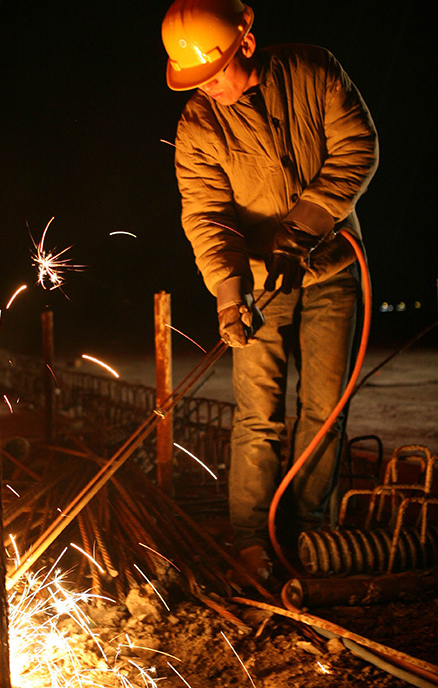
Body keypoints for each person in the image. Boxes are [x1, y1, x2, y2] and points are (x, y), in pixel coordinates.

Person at [161, 0, 378, 581]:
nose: (206, 87)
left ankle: (308, 531)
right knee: (258, 414)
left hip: (333, 267)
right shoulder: (197, 125)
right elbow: (207, 216)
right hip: (261, 286)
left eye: (214, 72)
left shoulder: (314, 72)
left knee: (325, 409)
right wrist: (230, 295)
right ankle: (253, 540)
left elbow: (357, 148)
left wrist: (300, 230)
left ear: (247, 45)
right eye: (197, 80)